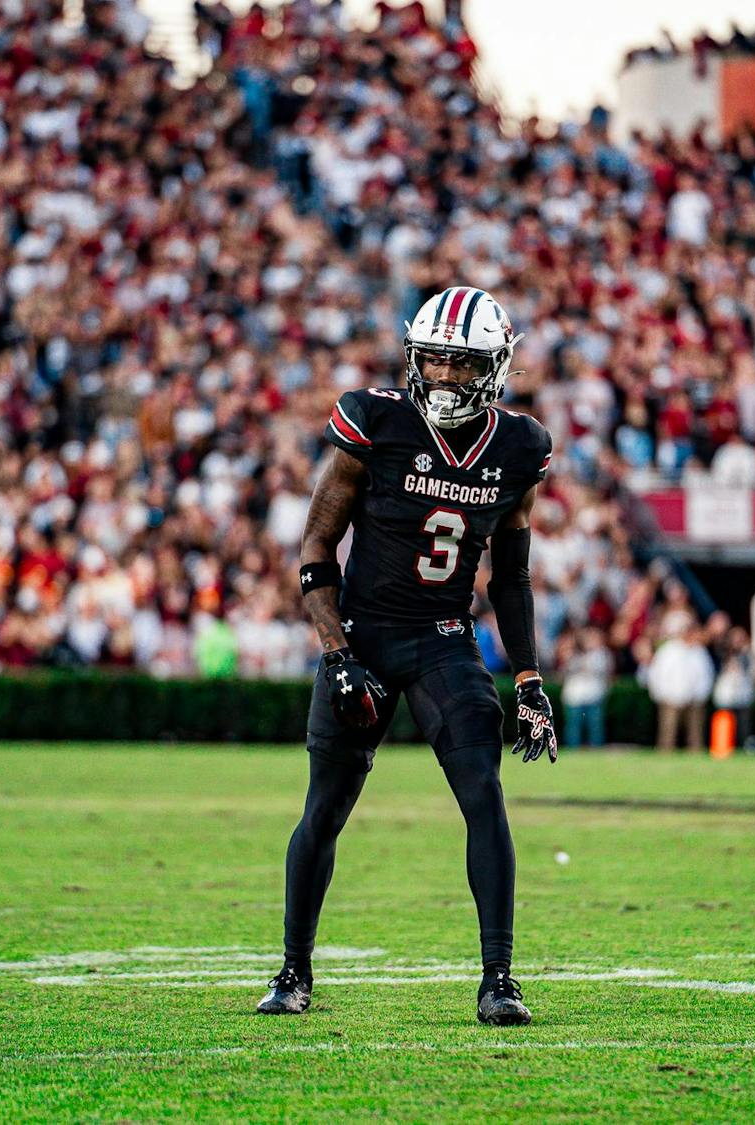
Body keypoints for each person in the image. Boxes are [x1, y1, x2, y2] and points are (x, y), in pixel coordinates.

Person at [258, 287, 556, 1026]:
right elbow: (316, 548)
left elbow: (510, 576)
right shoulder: (377, 422)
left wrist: (528, 677)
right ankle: (293, 969)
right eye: (435, 359)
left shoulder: (519, 448)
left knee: (482, 790)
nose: (447, 375)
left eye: (463, 362)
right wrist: (336, 653)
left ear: (494, 367)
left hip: (443, 639)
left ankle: (499, 978)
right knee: (324, 809)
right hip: (361, 633)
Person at [646, 612, 715, 752]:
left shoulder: (699, 651)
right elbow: (657, 674)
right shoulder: (668, 650)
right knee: (667, 734)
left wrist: (701, 695)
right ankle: (664, 758)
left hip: (695, 700)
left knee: (695, 736)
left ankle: (696, 761)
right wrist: (661, 694)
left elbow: (706, 675)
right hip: (670, 699)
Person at [560, 628, 612, 748]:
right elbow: (566, 669)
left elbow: (600, 669)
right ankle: (572, 751)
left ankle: (596, 750)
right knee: (573, 727)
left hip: (594, 696)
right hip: (574, 697)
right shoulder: (572, 653)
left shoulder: (601, 654)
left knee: (595, 727)